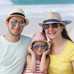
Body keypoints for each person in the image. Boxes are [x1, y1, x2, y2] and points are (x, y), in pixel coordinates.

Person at [0, 8, 31, 74]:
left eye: (21, 22)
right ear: (7, 23)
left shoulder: (29, 42)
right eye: (14, 22)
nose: (17, 26)